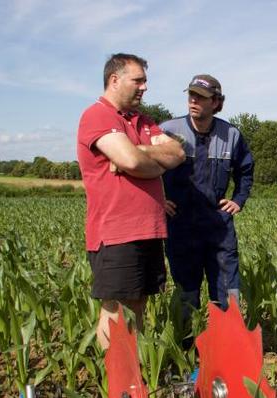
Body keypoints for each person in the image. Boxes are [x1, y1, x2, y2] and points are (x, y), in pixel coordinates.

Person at [77, 53, 185, 349]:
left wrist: (141, 151)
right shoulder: (97, 115)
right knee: (116, 311)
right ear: (115, 80)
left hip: (148, 229)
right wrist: (142, 158)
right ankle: (114, 380)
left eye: (145, 81)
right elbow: (130, 162)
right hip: (116, 232)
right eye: (138, 80)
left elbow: (177, 154)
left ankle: (132, 377)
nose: (144, 87)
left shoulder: (142, 121)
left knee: (137, 304)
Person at [159, 75, 254, 340]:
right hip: (180, 226)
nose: (193, 100)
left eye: (200, 97)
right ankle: (188, 351)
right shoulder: (167, 130)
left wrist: (239, 199)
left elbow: (246, 170)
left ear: (216, 103)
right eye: (191, 95)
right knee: (185, 293)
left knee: (226, 291)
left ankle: (227, 345)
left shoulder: (231, 134)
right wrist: (156, 200)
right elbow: (146, 167)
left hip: (218, 229)